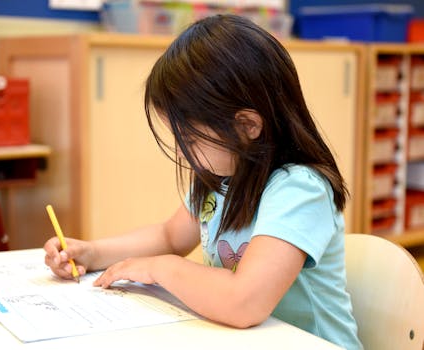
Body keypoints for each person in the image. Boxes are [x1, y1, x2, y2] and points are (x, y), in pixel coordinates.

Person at [44, 14, 363, 350]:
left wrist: (162, 269)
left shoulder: (299, 189)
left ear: (247, 126)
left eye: (191, 141)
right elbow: (168, 236)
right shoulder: (219, 179)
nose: (182, 154)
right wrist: (93, 253)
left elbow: (244, 302)